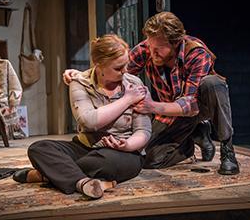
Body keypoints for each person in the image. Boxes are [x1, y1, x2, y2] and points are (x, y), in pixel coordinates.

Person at [64, 12, 239, 175]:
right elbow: (115, 68)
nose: (152, 51)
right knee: (147, 158)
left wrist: (151, 106)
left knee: (213, 84)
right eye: (150, 44)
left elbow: (190, 105)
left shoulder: (197, 54)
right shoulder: (148, 48)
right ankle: (193, 138)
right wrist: (83, 75)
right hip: (169, 113)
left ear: (175, 43)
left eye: (159, 48)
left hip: (198, 108)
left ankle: (227, 149)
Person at [13, 34, 152, 199]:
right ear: (98, 65)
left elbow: (143, 131)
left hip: (123, 153)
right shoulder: (80, 82)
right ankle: (84, 182)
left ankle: (48, 175)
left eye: (126, 65)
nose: (124, 71)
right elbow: (89, 122)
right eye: (117, 68)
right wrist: (127, 99)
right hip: (86, 147)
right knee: (39, 148)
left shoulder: (135, 84)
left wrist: (126, 145)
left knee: (101, 163)